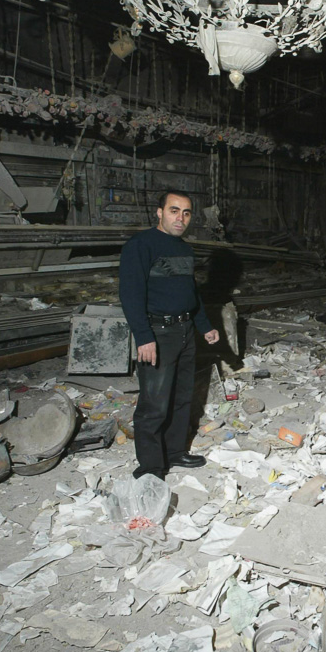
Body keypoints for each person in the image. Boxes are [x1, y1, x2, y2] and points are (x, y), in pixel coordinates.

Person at [119, 190, 219, 480]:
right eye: (174, 210)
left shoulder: (184, 249)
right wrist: (143, 336)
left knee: (182, 397)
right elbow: (131, 294)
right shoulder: (140, 246)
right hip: (158, 333)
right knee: (154, 403)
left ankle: (175, 452)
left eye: (186, 212)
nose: (181, 218)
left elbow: (191, 293)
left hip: (185, 330)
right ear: (159, 212)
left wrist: (204, 326)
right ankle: (150, 467)